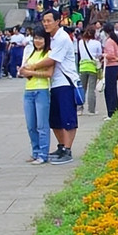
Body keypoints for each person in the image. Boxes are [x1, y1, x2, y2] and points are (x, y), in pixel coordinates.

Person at [19, 9, 79, 165]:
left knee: (67, 118)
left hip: (65, 82)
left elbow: (52, 59)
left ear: (58, 21)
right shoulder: (51, 38)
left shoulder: (62, 38)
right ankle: (61, 146)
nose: (46, 24)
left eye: (49, 21)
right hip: (53, 84)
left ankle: (67, 150)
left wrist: (31, 67)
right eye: (44, 21)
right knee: (55, 119)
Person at [20, 26, 53, 164]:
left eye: (40, 38)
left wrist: (31, 72)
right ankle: (35, 151)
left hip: (41, 90)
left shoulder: (49, 54)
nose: (37, 41)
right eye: (36, 38)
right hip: (28, 90)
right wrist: (24, 72)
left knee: (42, 125)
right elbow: (24, 70)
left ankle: (43, 154)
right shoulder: (31, 53)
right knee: (31, 125)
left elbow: (49, 73)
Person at [77, 28, 102, 116]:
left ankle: (79, 109)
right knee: (91, 89)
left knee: (82, 89)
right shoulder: (97, 43)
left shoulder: (81, 42)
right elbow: (99, 55)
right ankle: (91, 110)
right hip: (92, 67)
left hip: (82, 67)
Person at [101, 23, 118, 120]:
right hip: (115, 66)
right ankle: (115, 109)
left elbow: (110, 55)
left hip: (110, 66)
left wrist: (103, 55)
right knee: (113, 89)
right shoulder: (115, 40)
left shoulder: (109, 41)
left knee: (109, 90)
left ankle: (111, 111)